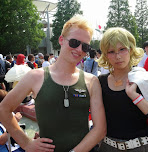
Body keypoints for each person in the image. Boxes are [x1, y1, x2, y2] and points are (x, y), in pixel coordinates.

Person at [0, 15, 106, 152]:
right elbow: (4, 109)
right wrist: (26, 143)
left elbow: (100, 128)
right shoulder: (35, 77)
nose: (79, 50)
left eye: (85, 46)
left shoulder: (91, 81)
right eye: (74, 42)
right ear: (61, 40)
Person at [97, 27, 148, 152]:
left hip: (141, 147)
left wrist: (135, 96)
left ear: (131, 50)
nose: (117, 56)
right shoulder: (100, 82)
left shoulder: (143, 79)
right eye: (111, 51)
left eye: (122, 49)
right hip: (107, 147)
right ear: (105, 55)